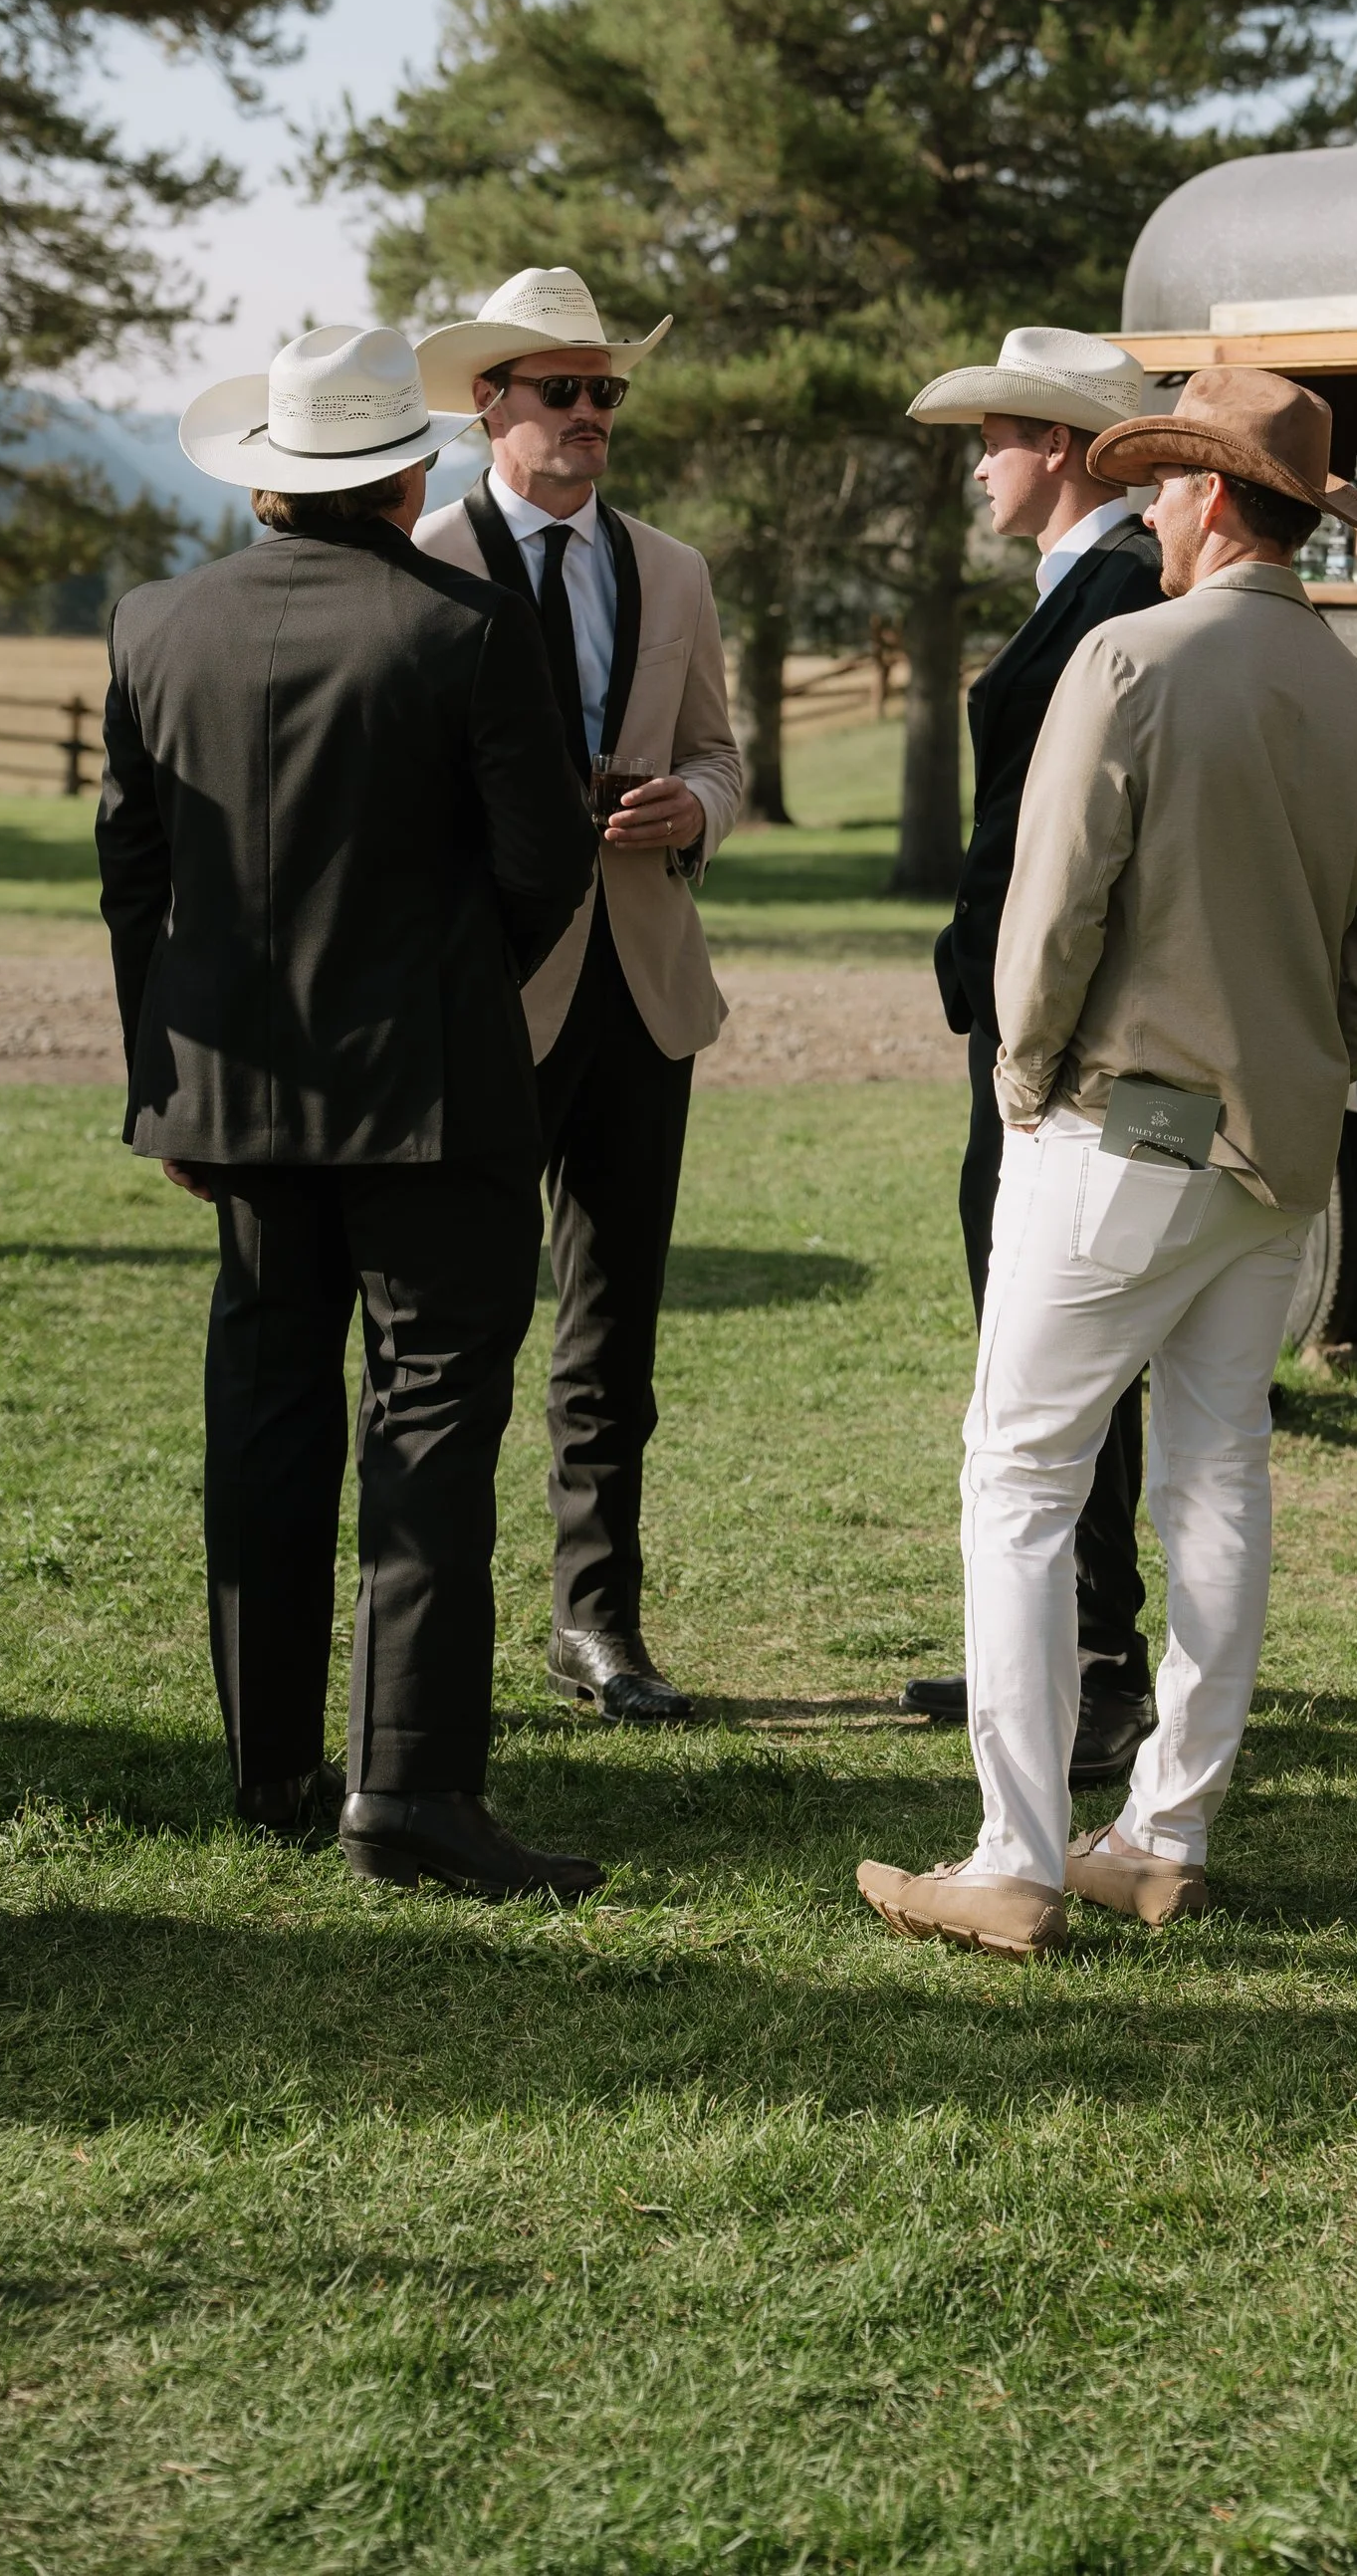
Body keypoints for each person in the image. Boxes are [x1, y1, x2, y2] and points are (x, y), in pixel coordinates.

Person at [859, 370, 1357, 1958]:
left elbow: (1049, 921)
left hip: (1122, 1131)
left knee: (1023, 1475)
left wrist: (1027, 1075)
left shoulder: (1129, 655)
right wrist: (1303, 1071)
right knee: (1218, 1472)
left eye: (1170, 480)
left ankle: (1015, 1853)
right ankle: (1162, 1833)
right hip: (1277, 1159)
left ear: (1213, 497)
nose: (1156, 507)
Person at [97, 324, 602, 1899]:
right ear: (409, 468)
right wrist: (456, 988)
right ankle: (411, 1788)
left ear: (268, 470)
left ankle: (267, 1761)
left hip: (236, 1098)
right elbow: (547, 862)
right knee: (432, 1421)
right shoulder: (465, 623)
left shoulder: (152, 624)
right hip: (437, 1094)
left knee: (263, 1409)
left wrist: (168, 1073)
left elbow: (134, 876)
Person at [411, 267, 742, 1728]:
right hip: (483, 994)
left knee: (615, 1332)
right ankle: (433, 1638)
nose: (597, 414)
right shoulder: (422, 559)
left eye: (609, 390)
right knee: (464, 1326)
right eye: (568, 389)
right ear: (492, 403)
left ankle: (596, 1621)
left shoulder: (673, 569)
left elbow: (725, 755)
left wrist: (698, 810)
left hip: (643, 991)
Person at [898, 326, 1170, 1785]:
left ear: (1059, 445)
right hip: (1024, 1022)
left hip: (1057, 1034)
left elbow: (1057, 842)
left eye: (993, 441)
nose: (982, 471)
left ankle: (1098, 1657)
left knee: (1064, 1347)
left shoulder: (1121, 592)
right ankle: (1046, 1642)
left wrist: (980, 979)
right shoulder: (1090, 586)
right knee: (1026, 1340)